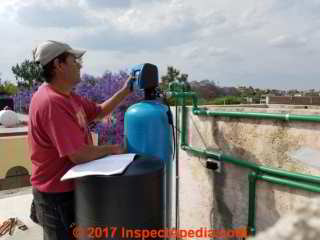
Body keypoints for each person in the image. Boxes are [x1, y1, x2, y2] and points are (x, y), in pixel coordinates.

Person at [28, 40, 132, 239]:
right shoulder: (52, 102)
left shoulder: (68, 96)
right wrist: (113, 149)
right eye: (74, 60)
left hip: (69, 189)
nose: (80, 64)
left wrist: (126, 91)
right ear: (59, 65)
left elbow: (99, 111)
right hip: (56, 197)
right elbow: (78, 154)